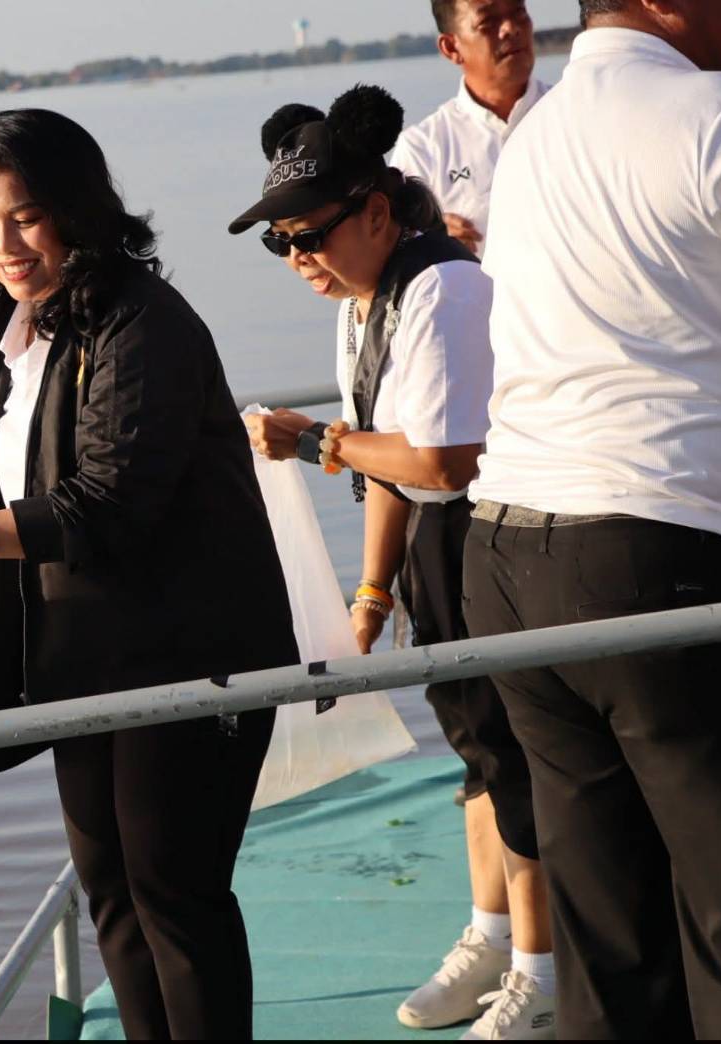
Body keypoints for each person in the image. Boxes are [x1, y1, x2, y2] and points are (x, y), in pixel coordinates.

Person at [0, 108, 299, 1040]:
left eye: (23, 216)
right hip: (86, 653)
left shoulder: (144, 323)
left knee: (174, 895)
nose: (3, 244)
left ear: (76, 208)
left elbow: (108, 502)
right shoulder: (17, 336)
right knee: (112, 898)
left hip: (192, 653)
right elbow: (18, 491)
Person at [230, 85, 554, 1040]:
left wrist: (314, 444)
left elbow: (442, 460)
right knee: (475, 751)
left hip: (494, 540)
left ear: (376, 211)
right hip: (433, 553)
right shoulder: (362, 300)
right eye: (278, 242)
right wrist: (369, 597)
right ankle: (492, 935)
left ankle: (543, 971)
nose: (297, 259)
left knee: (517, 757)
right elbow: (385, 464)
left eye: (308, 236)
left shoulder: (444, 287)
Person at [463, 1, 721, 1037]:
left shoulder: (534, 140)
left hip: (508, 561)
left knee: (609, 941)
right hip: (654, 550)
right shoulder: (715, 113)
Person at [391, 0, 550, 256]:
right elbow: (388, 253)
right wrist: (430, 241)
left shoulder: (575, 111)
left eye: (519, 14)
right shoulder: (423, 149)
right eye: (488, 22)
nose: (510, 28)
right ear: (451, 47)